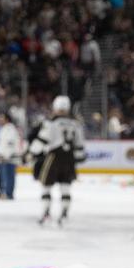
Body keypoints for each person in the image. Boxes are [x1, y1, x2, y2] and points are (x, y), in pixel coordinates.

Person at [29, 95, 86, 226]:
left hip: (53, 157)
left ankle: (46, 212)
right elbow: (79, 144)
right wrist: (79, 157)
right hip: (69, 158)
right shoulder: (76, 124)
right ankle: (64, 212)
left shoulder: (50, 123)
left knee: (46, 185)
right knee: (65, 186)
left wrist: (31, 153)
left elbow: (42, 140)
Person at [0, 111, 23, 200]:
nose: (0, 120)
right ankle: (6, 192)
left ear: (7, 119)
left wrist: (5, 155)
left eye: (2, 118)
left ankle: (8, 193)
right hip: (4, 157)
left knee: (8, 176)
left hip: (8, 158)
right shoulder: (4, 128)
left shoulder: (10, 129)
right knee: (5, 176)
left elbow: (10, 144)